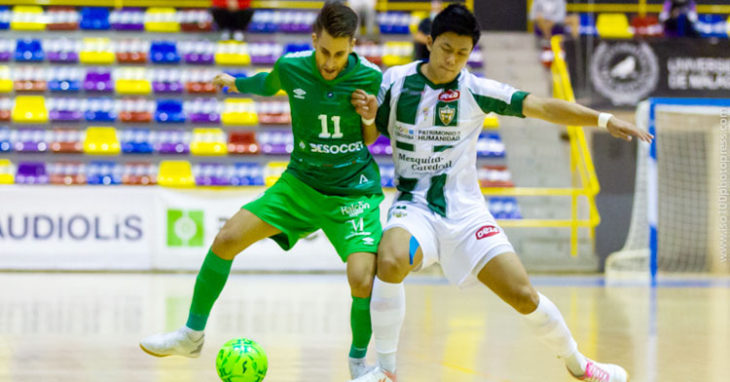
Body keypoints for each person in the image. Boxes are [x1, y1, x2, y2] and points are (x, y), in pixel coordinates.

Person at [349, 4, 653, 382]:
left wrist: (603, 119)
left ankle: (579, 365)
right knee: (391, 260)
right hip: (414, 209)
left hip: (465, 214)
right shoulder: (394, 81)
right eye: (446, 49)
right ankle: (387, 372)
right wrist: (367, 116)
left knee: (523, 294)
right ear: (429, 42)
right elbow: (369, 135)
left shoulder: (475, 89)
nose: (452, 60)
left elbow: (541, 106)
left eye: (462, 53)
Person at [140, 2, 384, 378]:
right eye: (324, 51)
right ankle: (191, 336)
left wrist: (369, 115)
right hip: (299, 185)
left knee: (362, 278)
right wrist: (234, 82)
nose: (330, 62)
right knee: (226, 239)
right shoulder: (292, 66)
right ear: (314, 39)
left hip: (353, 193)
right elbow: (268, 84)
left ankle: (358, 366)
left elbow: (372, 136)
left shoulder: (370, 76)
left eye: (339, 53)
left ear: (352, 44)